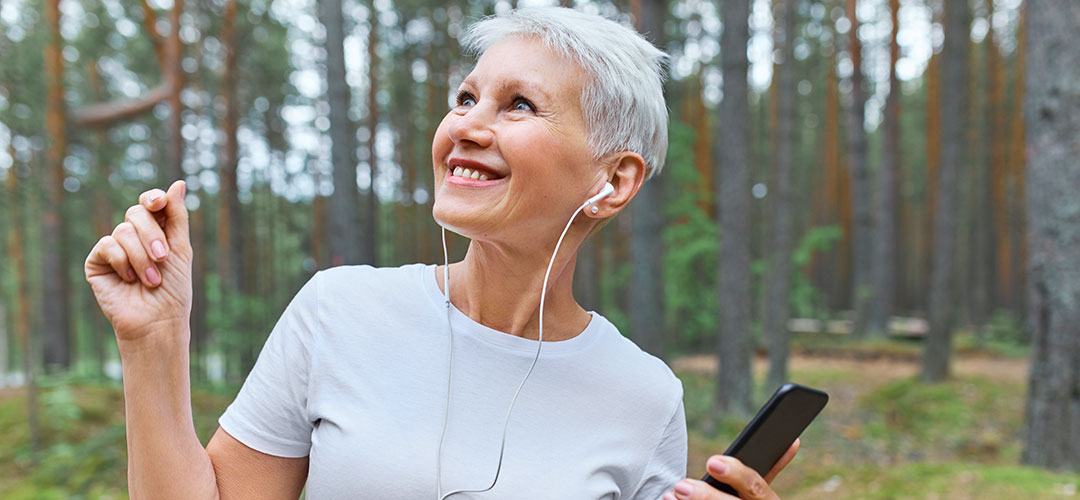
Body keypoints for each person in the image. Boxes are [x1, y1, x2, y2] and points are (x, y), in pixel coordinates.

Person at [84, 6, 798, 500]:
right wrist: (153, 341)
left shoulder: (644, 397)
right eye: (465, 97)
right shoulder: (338, 313)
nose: (467, 126)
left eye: (518, 104)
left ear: (614, 181)